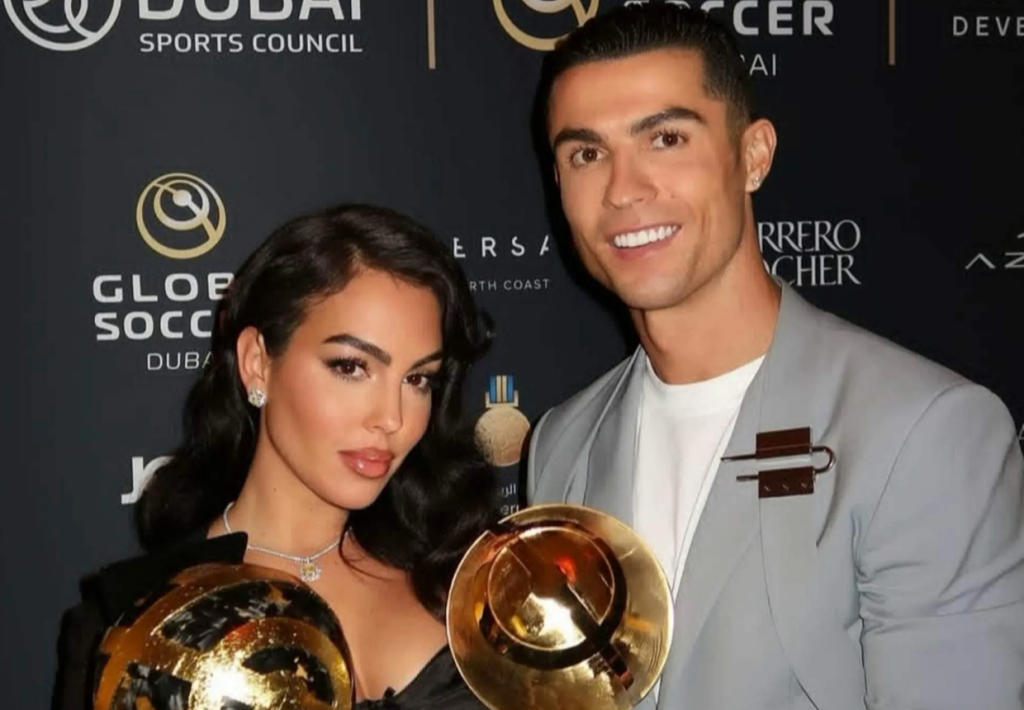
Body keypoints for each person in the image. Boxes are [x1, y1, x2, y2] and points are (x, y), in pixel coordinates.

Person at [525, 5, 1024, 710]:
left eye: (666, 139)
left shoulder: (921, 431)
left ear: (753, 156)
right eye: (586, 154)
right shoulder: (562, 443)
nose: (624, 189)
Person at [52, 204, 498, 710]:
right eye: (351, 367)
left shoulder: (460, 572)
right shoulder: (130, 619)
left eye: (418, 379)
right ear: (257, 363)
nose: (391, 418)